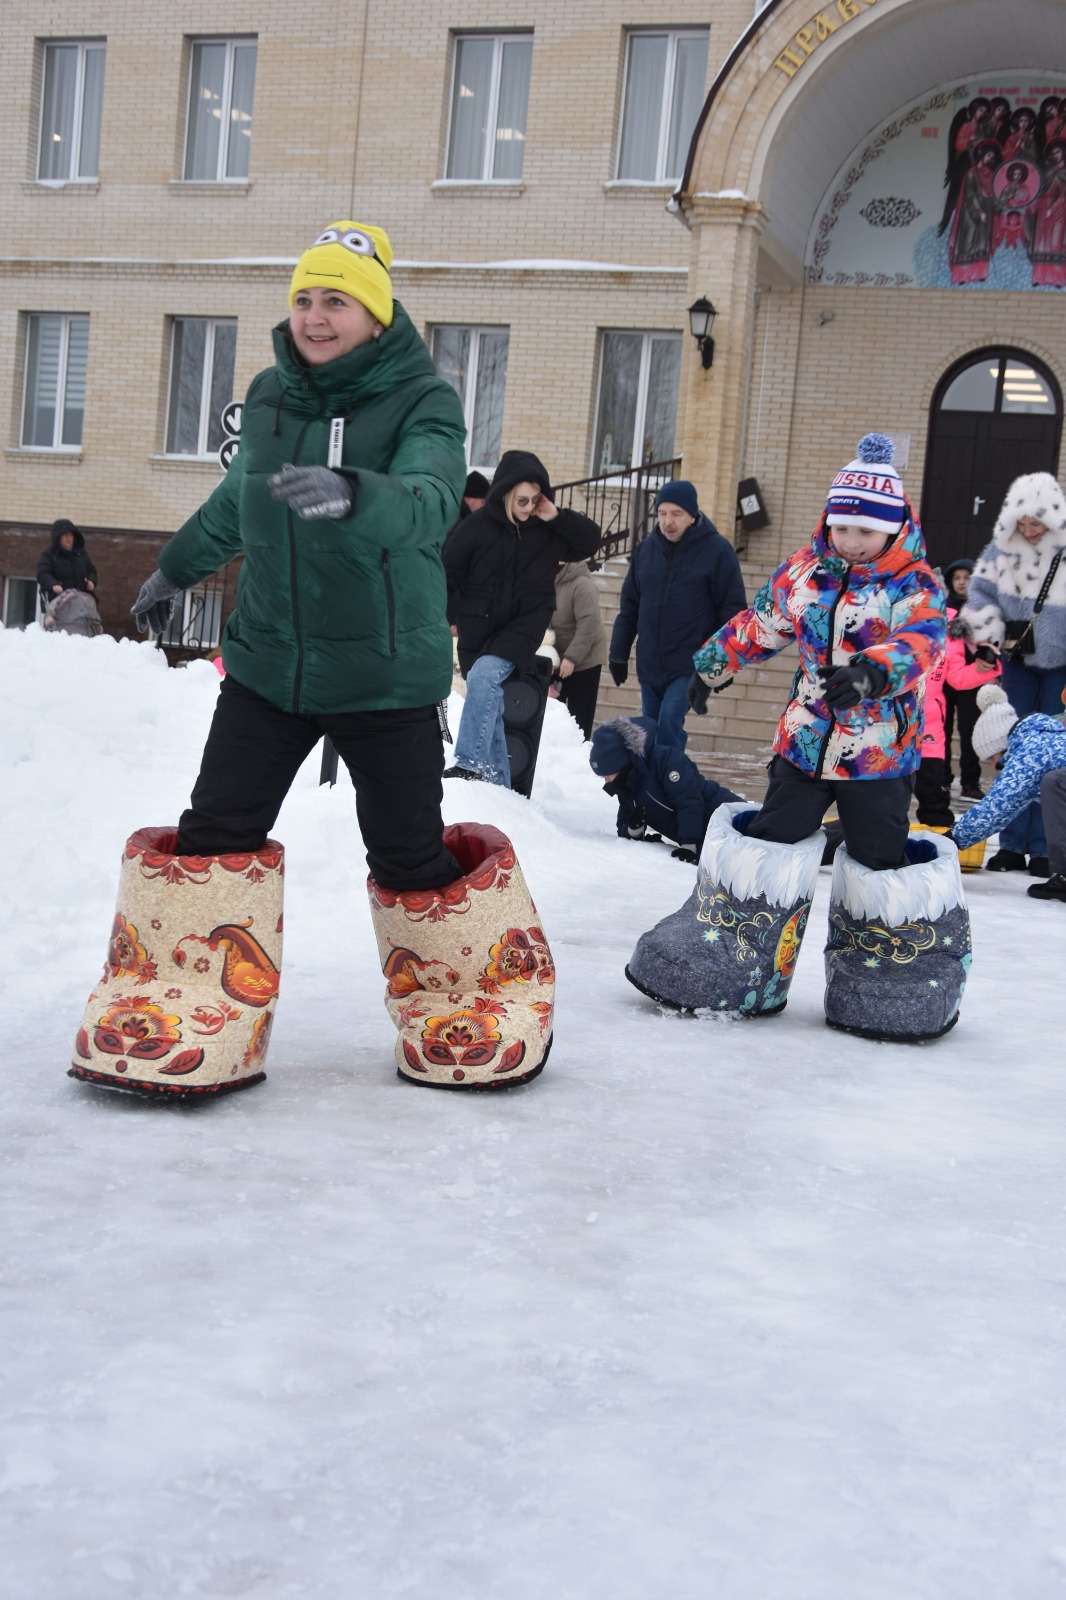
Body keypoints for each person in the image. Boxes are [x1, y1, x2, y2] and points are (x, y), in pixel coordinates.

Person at [69, 221, 556, 1096]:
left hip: (382, 675)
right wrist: (173, 568)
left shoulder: (423, 400)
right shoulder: (270, 395)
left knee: (407, 854)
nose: (315, 316)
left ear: (375, 314)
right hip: (269, 666)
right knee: (216, 832)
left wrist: (353, 493)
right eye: (303, 298)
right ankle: (186, 1003)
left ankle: (469, 998)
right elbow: (239, 499)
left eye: (336, 300)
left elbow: (431, 498)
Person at [626, 435, 962, 1042]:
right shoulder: (807, 571)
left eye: (866, 531)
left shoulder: (913, 585)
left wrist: (870, 674)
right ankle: (738, 953)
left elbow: (923, 642)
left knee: (879, 854)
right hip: (804, 742)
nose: (852, 541)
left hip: (878, 755)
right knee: (773, 836)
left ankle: (888, 969)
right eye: (842, 527)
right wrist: (709, 666)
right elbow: (760, 623)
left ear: (892, 528)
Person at [442, 450, 600, 784]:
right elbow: (446, 574)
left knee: (485, 676)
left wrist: (556, 516)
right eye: (522, 500)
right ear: (505, 495)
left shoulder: (548, 529)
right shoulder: (476, 527)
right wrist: (443, 616)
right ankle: (501, 787)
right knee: (489, 700)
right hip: (477, 626)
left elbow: (590, 542)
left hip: (525, 625)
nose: (528, 508)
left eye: (535, 500)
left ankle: (469, 764)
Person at [960, 471, 1066, 872]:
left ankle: (1045, 848)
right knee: (1014, 751)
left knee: (1053, 758)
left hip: (1062, 665)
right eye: (1023, 523)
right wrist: (987, 638)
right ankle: (1011, 843)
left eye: (1037, 523)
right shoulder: (1000, 549)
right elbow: (979, 594)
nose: (1030, 531)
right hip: (1017, 659)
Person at [608, 479, 745, 752]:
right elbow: (630, 606)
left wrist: (723, 663)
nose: (668, 521)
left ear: (692, 515)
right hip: (650, 661)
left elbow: (733, 612)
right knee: (650, 728)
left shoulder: (717, 550)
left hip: (689, 662)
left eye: (676, 514)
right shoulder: (646, 550)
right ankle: (659, 776)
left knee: (669, 722)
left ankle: (669, 775)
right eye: (662, 513)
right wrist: (618, 653)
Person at [950, 682, 1066, 896]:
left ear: (1000, 747)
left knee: (1055, 783)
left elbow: (997, 808)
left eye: (993, 759)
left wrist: (952, 838)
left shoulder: (1030, 752)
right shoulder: (1044, 737)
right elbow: (1011, 808)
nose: (996, 767)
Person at [588, 715, 741, 862]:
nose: (606, 780)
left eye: (607, 774)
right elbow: (623, 823)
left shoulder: (665, 760)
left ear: (619, 763)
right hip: (711, 841)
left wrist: (689, 844)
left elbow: (688, 800)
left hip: (729, 814)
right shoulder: (627, 786)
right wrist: (634, 828)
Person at [940, 557, 989, 797]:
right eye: (956, 578)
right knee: (942, 730)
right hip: (943, 678)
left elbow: (992, 638)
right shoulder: (940, 608)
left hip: (972, 677)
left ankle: (970, 782)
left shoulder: (983, 608)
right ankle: (942, 779)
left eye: (967, 578)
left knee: (970, 730)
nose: (961, 582)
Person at [550, 558, 607, 739]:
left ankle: (579, 749)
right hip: (556, 658)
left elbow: (589, 624)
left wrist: (571, 657)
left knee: (579, 720)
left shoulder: (582, 585)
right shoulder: (544, 581)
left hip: (585, 660)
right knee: (551, 715)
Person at [37, 518, 97, 603]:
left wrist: (91, 581)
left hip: (80, 600)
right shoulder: (50, 554)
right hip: (58, 601)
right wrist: (53, 584)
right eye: (65, 535)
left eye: (70, 535)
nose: (68, 538)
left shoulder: (81, 554)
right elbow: (43, 573)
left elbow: (91, 570)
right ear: (58, 537)